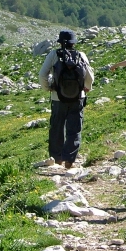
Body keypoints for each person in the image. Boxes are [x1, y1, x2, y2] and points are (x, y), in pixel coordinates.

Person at [39, 30, 94, 169]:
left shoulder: (54, 55)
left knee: (57, 128)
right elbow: (90, 76)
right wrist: (87, 87)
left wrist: (49, 88)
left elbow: (42, 74)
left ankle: (56, 160)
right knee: (74, 129)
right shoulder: (81, 55)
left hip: (58, 98)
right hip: (77, 98)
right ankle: (69, 160)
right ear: (73, 43)